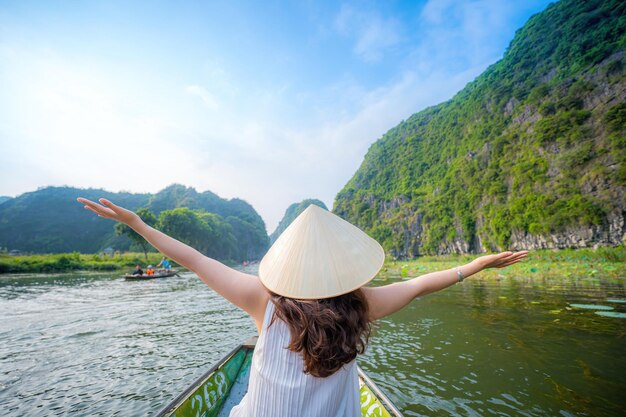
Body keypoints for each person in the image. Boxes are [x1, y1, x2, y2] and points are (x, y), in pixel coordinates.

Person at [77, 197, 528, 417]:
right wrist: (474, 265)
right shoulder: (360, 306)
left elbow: (193, 259)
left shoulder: (261, 301)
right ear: (342, 268)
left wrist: (137, 222)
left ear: (287, 265)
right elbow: (421, 284)